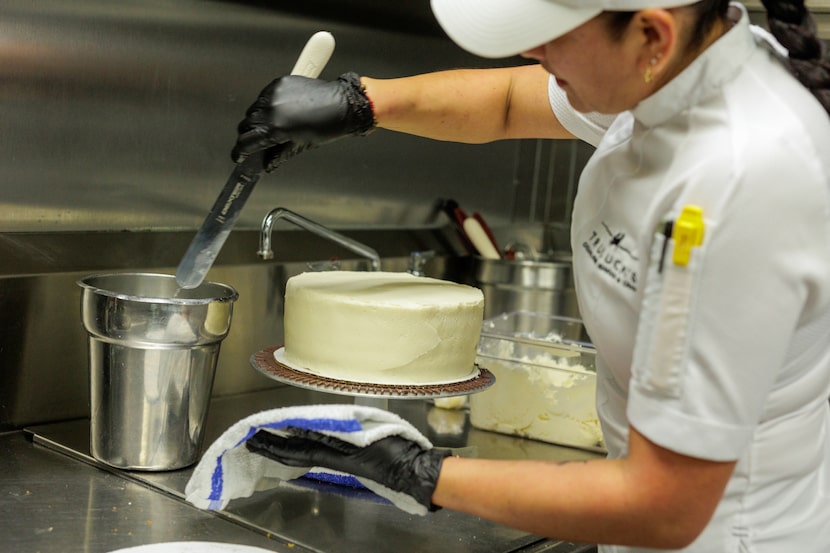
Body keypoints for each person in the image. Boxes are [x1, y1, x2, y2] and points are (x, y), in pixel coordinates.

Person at [238, 1, 830, 551]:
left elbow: (666, 504)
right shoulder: (680, 67)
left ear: (651, 34)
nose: (531, 53)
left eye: (549, 37)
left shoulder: (739, 182)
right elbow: (508, 101)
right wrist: (362, 101)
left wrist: (422, 473)